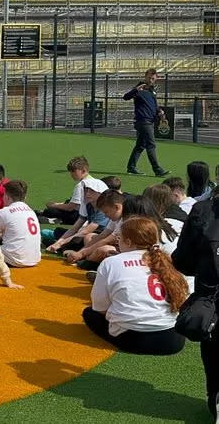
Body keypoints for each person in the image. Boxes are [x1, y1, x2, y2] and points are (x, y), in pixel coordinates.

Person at [84, 217, 188, 355]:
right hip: (173, 339)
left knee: (89, 313)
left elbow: (100, 307)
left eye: (119, 238)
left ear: (128, 241)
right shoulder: (165, 260)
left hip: (136, 339)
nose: (117, 242)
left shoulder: (111, 262)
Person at [173, 188, 219, 418]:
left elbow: (183, 259)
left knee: (212, 348)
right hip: (211, 297)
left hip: (210, 296)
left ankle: (216, 396)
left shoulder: (203, 209)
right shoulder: (203, 209)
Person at [124, 68, 169, 177]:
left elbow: (154, 105)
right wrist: (136, 90)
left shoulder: (152, 91)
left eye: (153, 79)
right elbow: (125, 97)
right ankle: (157, 170)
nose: (151, 80)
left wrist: (160, 112)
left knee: (140, 145)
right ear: (145, 77)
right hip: (142, 121)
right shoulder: (139, 88)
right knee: (151, 144)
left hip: (149, 121)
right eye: (149, 78)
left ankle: (131, 167)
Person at [46, 177, 110, 254]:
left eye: (92, 191)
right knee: (59, 232)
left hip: (99, 237)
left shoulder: (103, 209)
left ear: (100, 193)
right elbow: (74, 228)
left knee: (86, 237)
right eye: (86, 190)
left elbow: (85, 231)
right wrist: (57, 244)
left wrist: (60, 243)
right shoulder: (88, 206)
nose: (87, 194)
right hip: (89, 235)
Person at [64, 190, 124, 269]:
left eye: (106, 212)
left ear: (117, 207)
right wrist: (80, 253)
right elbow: (103, 235)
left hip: (125, 251)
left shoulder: (125, 220)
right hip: (119, 246)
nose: (106, 216)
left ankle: (87, 263)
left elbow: (107, 240)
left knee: (103, 250)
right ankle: (89, 260)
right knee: (89, 236)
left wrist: (81, 254)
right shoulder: (115, 218)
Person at [0, 180, 41, 267]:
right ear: (25, 197)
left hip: (12, 259)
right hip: (34, 258)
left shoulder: (4, 212)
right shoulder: (31, 211)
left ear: (7, 197)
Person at [37, 156, 91, 225]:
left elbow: (70, 207)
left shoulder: (81, 185)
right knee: (64, 204)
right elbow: (75, 204)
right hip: (89, 215)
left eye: (73, 171)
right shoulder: (97, 181)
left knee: (50, 211)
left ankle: (54, 219)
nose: (71, 174)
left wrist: (54, 205)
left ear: (83, 170)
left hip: (79, 217)